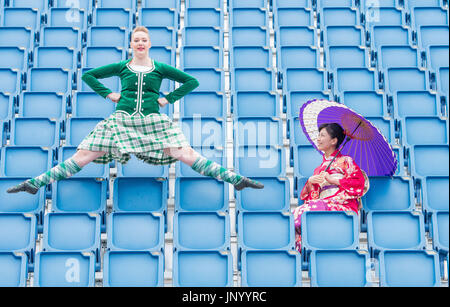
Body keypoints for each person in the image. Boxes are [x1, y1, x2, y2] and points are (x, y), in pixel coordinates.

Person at [7, 26, 264, 195]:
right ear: (131, 44)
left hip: (153, 121)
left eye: (144, 40)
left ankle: (235, 179)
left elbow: (191, 81)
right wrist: (109, 94)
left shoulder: (160, 67)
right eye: (136, 40)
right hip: (121, 121)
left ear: (149, 43)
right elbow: (90, 76)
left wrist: (168, 98)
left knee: (185, 153)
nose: (140, 43)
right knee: (85, 154)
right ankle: (35, 183)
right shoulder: (122, 66)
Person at [292, 123, 369, 252]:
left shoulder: (346, 161)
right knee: (299, 217)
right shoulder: (319, 168)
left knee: (301, 212)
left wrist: (335, 180)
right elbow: (313, 195)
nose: (318, 139)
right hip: (324, 203)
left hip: (342, 205)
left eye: (322, 135)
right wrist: (311, 182)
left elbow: (359, 183)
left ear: (334, 140)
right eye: (318, 135)